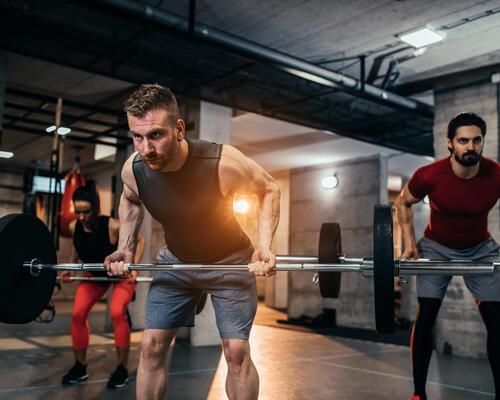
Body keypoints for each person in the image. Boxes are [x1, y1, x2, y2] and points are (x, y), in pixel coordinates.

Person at [104, 83, 280, 400]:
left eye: (156, 134)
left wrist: (264, 245)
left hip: (230, 261)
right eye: (137, 137)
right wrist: (126, 247)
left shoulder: (222, 162)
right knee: (150, 346)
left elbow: (268, 189)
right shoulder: (134, 169)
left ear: (180, 128)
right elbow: (130, 201)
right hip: (176, 261)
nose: (146, 148)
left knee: (236, 351)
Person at [394, 112, 500, 400]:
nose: (471, 147)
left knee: (497, 320)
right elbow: (402, 202)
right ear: (450, 143)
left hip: (480, 249)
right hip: (436, 247)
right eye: (463, 140)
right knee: (426, 315)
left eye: (476, 140)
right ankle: (418, 393)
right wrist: (408, 244)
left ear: (482, 142)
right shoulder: (430, 175)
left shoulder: (495, 174)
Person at [61, 180, 145, 389]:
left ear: (95, 208)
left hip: (119, 276)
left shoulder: (112, 225)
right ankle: (79, 367)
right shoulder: (74, 226)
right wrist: (70, 268)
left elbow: (140, 240)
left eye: (86, 212)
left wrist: (133, 267)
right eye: (78, 212)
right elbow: (77, 248)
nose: (81, 218)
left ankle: (122, 369)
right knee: (78, 314)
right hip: (95, 275)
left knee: (117, 312)